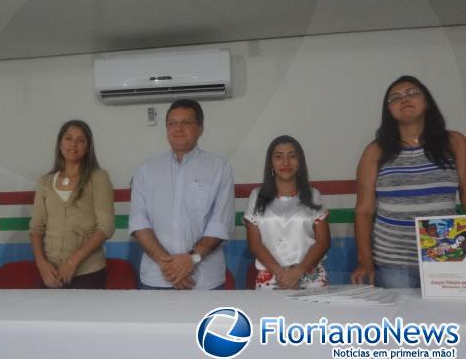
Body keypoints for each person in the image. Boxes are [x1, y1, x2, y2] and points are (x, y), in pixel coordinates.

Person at [351, 75, 466, 288]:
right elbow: (363, 211)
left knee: (446, 319)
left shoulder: (455, 142)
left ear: (427, 101)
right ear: (389, 111)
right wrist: (365, 262)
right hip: (394, 262)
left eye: (412, 92)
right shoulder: (375, 151)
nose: (404, 98)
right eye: (395, 97)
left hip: (445, 256)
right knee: (402, 320)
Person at [129, 99, 235, 290]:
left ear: (201, 128)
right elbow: (139, 222)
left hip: (204, 281)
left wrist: (191, 259)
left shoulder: (219, 167)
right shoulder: (146, 169)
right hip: (157, 278)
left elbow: (221, 223)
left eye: (186, 123)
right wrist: (167, 265)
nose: (178, 128)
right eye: (172, 123)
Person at [30, 120, 114, 289]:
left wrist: (71, 262)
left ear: (88, 147)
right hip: (51, 274)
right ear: (60, 144)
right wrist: (41, 264)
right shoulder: (45, 181)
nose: (73, 144)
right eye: (68, 138)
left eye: (80, 140)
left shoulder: (98, 177)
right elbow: (36, 227)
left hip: (88, 273)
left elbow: (106, 227)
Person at [244, 135, 330, 289]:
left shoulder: (313, 195)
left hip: (310, 276)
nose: (285, 162)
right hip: (271, 277)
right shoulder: (257, 196)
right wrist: (280, 272)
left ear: (300, 162)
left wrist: (298, 271)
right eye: (279, 157)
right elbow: (255, 243)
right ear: (271, 163)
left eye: (292, 156)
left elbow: (323, 242)